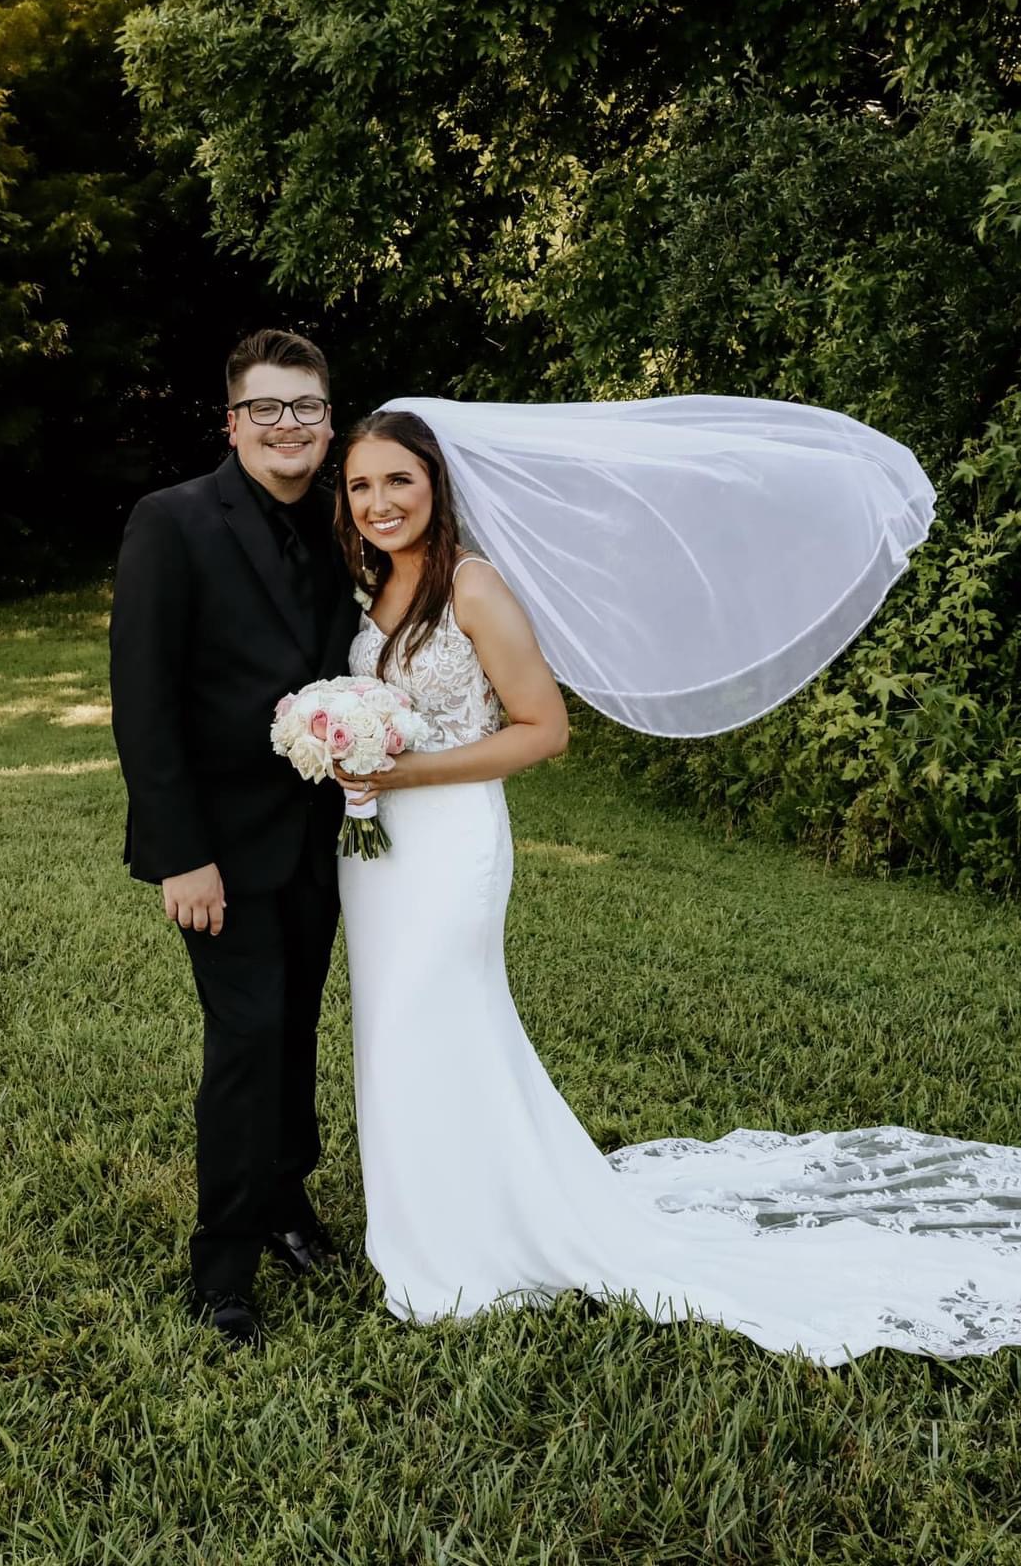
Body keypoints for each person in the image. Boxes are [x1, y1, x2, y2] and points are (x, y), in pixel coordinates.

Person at [332, 408, 1021, 1365]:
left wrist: (403, 773)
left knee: (431, 1016)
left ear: (435, 484)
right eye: (361, 486)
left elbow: (542, 728)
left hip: (448, 841)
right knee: (397, 1029)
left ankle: (468, 1245)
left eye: (397, 481)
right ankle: (442, 1212)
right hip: (378, 851)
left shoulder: (473, 586)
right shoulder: (377, 583)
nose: (379, 503)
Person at [109, 329, 361, 1349]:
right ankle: (223, 1270)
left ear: (328, 419)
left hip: (323, 840)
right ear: (232, 421)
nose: (287, 426)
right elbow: (144, 699)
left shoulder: (349, 523)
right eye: (267, 409)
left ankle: (286, 1207)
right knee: (246, 1042)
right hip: (217, 849)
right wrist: (180, 853)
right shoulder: (171, 522)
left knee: (295, 1028)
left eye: (305, 407)